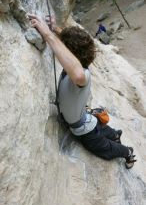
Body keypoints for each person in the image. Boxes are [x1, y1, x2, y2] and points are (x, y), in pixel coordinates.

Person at [28, 14, 136, 169]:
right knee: (99, 128)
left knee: (105, 149)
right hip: (85, 118)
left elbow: (76, 72)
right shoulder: (78, 64)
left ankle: (128, 152)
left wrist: (48, 35)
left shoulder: (82, 76)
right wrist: (56, 29)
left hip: (85, 130)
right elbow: (73, 49)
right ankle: (115, 134)